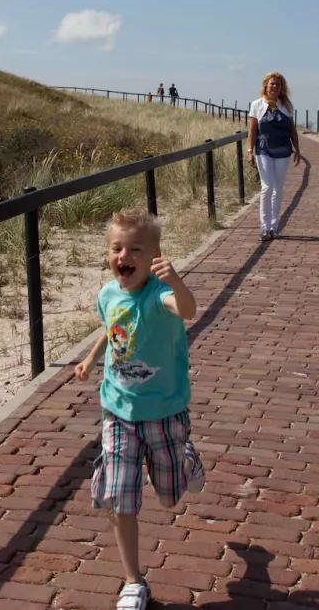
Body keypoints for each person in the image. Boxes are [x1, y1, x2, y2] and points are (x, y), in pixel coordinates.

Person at [75, 208, 205, 610]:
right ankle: (133, 581)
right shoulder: (107, 293)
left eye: (134, 249)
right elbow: (112, 327)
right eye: (116, 248)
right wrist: (91, 359)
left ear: (153, 256)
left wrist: (176, 281)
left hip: (165, 411)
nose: (123, 255)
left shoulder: (159, 294)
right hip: (118, 410)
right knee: (120, 497)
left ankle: (185, 461)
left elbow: (186, 310)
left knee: (169, 496)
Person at [247, 71, 302, 240]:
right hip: (263, 149)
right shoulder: (257, 105)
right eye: (272, 84)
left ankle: (273, 227)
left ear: (282, 88)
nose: (275, 87)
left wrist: (297, 149)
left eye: (278, 84)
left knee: (278, 189)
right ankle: (264, 227)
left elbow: (292, 129)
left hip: (283, 150)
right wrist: (250, 150)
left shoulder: (286, 106)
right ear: (266, 85)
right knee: (267, 187)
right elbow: (252, 129)